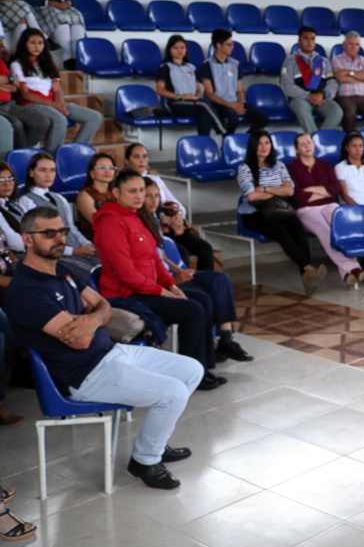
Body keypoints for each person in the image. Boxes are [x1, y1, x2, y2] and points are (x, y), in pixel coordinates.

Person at [9, 206, 203, 489]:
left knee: (192, 369)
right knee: (172, 392)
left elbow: (104, 305)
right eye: (49, 233)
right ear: (27, 239)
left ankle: (155, 443)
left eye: (62, 231)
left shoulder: (61, 270)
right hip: (84, 374)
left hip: (111, 352)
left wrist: (91, 318)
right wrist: (95, 317)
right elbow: (81, 339)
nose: (60, 238)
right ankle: (145, 460)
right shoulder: (25, 291)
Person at [92, 169, 224, 391]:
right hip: (126, 295)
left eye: (141, 190)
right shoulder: (111, 223)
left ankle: (202, 368)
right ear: (116, 192)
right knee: (192, 310)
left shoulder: (136, 217)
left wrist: (171, 285)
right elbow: (127, 275)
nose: (139, 196)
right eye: (132, 191)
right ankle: (190, 374)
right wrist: (164, 292)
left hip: (146, 289)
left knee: (203, 300)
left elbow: (154, 259)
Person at [143, 178, 251, 363]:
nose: (154, 200)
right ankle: (205, 354)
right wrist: (174, 278)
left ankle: (226, 338)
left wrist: (181, 270)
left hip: (170, 273)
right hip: (160, 280)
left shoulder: (154, 219)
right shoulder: (140, 223)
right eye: (148, 196)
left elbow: (162, 257)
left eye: (157, 196)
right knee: (204, 297)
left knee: (221, 279)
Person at [237, 129, 327, 296]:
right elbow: (251, 196)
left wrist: (265, 189)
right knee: (280, 231)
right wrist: (278, 190)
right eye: (260, 143)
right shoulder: (245, 168)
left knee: (298, 229)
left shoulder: (278, 165)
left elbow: (289, 191)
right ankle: (308, 269)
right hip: (253, 214)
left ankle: (306, 275)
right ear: (252, 146)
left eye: (267, 143)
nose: (264, 147)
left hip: (278, 208)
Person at [287, 133, 362, 288]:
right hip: (306, 209)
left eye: (309, 142)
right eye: (302, 144)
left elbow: (334, 189)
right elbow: (298, 196)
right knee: (324, 229)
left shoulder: (325, 164)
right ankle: (353, 268)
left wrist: (310, 190)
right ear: (297, 149)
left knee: (341, 228)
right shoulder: (292, 167)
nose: (307, 146)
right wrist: (323, 191)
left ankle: (347, 273)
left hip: (329, 205)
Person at [125, 143, 215, 271]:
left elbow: (177, 204)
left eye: (144, 156)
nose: (141, 160)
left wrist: (178, 217)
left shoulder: (155, 179)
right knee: (182, 254)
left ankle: (206, 281)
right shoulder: (126, 183)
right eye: (136, 157)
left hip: (170, 227)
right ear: (127, 160)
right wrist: (160, 219)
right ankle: (182, 281)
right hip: (153, 229)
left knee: (205, 248)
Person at [9, 28, 102, 151]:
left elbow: (57, 90)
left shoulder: (48, 63)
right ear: (24, 44)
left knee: (95, 117)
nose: (37, 46)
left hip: (54, 103)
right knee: (60, 120)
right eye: (32, 43)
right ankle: (52, 156)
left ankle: (75, 151)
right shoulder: (17, 64)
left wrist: (60, 104)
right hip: (33, 104)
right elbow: (24, 94)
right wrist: (54, 105)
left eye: (40, 43)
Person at [18, 151, 100, 281]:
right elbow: (39, 238)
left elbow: (72, 228)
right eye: (43, 170)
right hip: (57, 255)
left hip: (78, 250)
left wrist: (87, 245)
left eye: (52, 170)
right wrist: (73, 251)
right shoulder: (27, 201)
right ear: (32, 173)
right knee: (92, 273)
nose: (48, 175)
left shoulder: (60, 198)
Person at [197, 28, 268, 135]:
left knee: (262, 118)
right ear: (218, 45)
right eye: (228, 45)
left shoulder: (235, 64)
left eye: (232, 44)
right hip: (218, 103)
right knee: (233, 119)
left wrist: (240, 104)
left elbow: (239, 90)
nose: (232, 47)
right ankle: (227, 139)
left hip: (234, 101)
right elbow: (210, 94)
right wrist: (231, 106)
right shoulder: (207, 65)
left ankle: (246, 139)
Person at [154, 34, 225, 137]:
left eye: (182, 48)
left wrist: (197, 95)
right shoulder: (165, 67)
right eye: (175, 48)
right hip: (175, 104)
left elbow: (198, 88)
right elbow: (159, 90)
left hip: (192, 102)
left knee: (204, 114)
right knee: (203, 104)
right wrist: (181, 96)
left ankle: (203, 142)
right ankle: (223, 132)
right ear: (169, 50)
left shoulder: (191, 67)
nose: (180, 51)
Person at [281, 26, 341, 134]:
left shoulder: (324, 61)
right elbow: (287, 85)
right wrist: (308, 96)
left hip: (321, 98)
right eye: (306, 38)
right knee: (302, 109)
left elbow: (332, 82)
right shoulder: (290, 61)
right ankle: (314, 140)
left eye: (312, 38)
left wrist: (323, 94)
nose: (309, 42)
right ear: (299, 40)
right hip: (300, 99)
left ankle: (319, 138)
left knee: (336, 111)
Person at [0, 40, 51, 154]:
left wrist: (7, 82)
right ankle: (17, 158)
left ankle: (22, 153)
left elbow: (14, 86)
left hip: (9, 104)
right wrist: (8, 80)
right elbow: (12, 82)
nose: (3, 50)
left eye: (2, 47)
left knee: (41, 121)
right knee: (16, 124)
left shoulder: (1, 63)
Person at [331, 31, 364, 131]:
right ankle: (350, 139)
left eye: (357, 44)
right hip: (346, 96)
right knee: (349, 115)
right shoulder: (337, 60)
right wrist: (361, 78)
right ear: (344, 45)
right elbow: (341, 77)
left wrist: (348, 73)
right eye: (350, 44)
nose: (353, 47)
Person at [74, 151, 116, 240]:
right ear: (92, 172)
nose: (108, 171)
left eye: (111, 168)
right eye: (102, 167)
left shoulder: (116, 192)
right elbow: (99, 223)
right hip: (97, 240)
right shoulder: (84, 195)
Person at [334, 130, 364, 208]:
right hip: (350, 207)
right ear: (347, 148)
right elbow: (344, 195)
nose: (358, 149)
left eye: (360, 146)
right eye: (354, 146)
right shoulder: (340, 167)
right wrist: (360, 209)